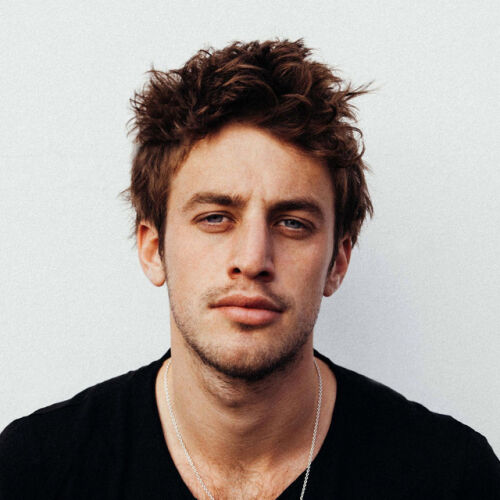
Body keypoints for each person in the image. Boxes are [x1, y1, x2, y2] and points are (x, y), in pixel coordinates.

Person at [0, 39, 499, 500]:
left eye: (293, 223)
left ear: (338, 261)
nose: (253, 260)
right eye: (215, 218)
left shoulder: (451, 478)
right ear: (153, 248)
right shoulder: (37, 471)